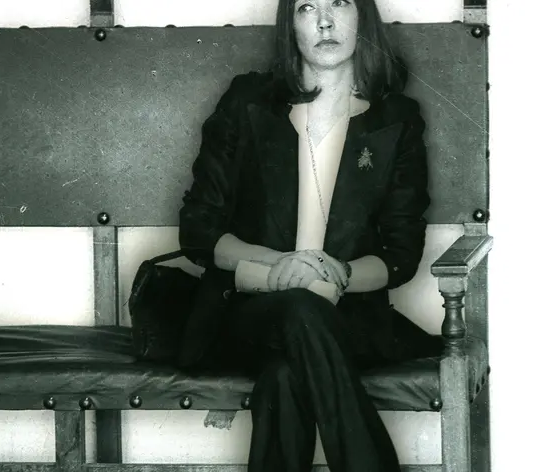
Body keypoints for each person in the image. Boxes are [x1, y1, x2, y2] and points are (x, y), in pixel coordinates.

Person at [175, 0, 445, 470]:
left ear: (362, 16)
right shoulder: (248, 100)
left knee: (285, 374)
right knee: (300, 308)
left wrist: (337, 273)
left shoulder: (396, 118)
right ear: (291, 23)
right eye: (306, 7)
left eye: (339, 3)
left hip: (345, 318)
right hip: (247, 312)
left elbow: (400, 254)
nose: (324, 21)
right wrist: (282, 268)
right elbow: (199, 229)